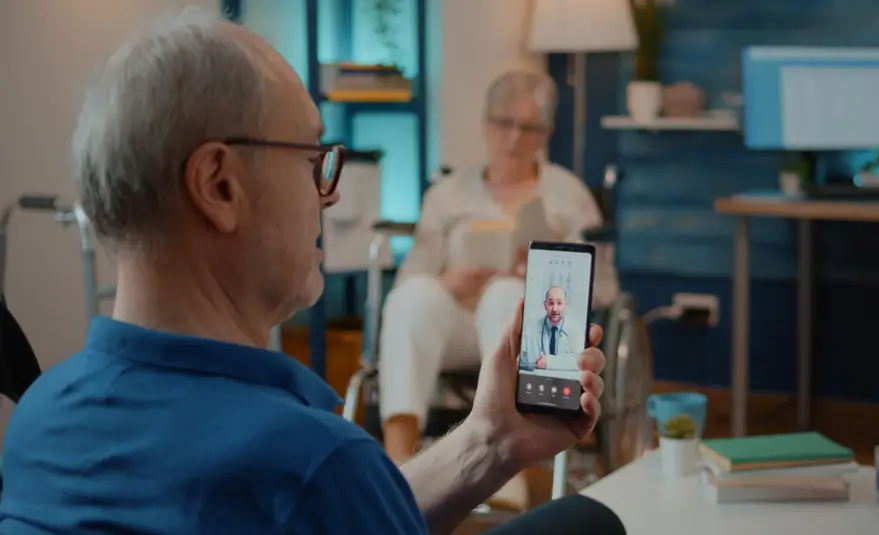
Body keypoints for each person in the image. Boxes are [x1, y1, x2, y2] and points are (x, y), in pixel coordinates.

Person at [0, 8, 608, 535]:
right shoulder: (312, 462)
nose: (329, 194)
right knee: (590, 521)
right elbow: (322, 499)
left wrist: (490, 441)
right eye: (313, 159)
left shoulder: (37, 419)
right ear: (219, 185)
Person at [378, 70, 619, 462]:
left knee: (508, 294)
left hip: (532, 338)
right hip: (454, 326)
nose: (514, 138)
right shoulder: (447, 195)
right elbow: (408, 279)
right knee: (415, 296)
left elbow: (604, 288)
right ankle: (398, 458)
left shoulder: (569, 197)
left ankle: (507, 458)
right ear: (485, 123)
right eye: (505, 124)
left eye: (529, 128)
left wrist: (540, 280)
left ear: (547, 133)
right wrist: (448, 283)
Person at [520, 286, 580, 372]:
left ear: (566, 305)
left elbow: (580, 362)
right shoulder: (530, 330)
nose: (555, 309)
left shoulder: (575, 331)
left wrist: (549, 362)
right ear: (545, 305)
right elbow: (519, 360)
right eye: (551, 303)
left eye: (559, 303)